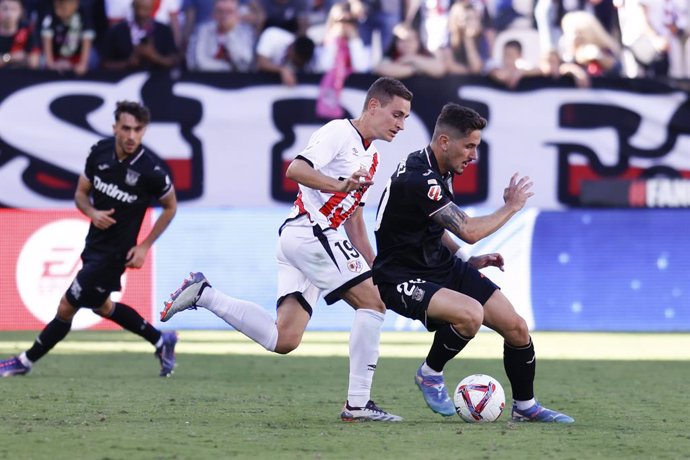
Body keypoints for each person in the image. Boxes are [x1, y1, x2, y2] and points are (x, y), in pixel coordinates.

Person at [160, 77, 413, 422]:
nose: (401, 124)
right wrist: (340, 184)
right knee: (373, 303)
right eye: (396, 114)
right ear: (373, 106)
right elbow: (296, 169)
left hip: (307, 238)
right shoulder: (339, 132)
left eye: (405, 118)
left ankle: (205, 295)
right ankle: (357, 404)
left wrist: (376, 264)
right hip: (311, 232)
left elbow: (354, 218)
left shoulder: (372, 157)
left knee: (285, 338)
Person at [372, 103, 575, 423]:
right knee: (470, 315)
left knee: (516, 327)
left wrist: (469, 261)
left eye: (476, 147)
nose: (473, 155)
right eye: (469, 146)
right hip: (399, 275)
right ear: (443, 142)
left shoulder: (438, 168)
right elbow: (467, 229)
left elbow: (437, 229)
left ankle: (525, 407)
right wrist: (511, 207)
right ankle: (430, 372)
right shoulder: (420, 179)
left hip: (438, 264)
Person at [0, 101, 179, 379]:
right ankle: (161, 340)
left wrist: (144, 246)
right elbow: (80, 195)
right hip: (94, 245)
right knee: (102, 306)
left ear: (144, 131)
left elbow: (171, 207)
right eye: (126, 128)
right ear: (115, 128)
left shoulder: (149, 171)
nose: (132, 136)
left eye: (138, 130)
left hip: (115, 255)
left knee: (66, 305)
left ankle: (25, 361)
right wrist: (93, 212)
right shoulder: (99, 152)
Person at [100, 0, 180, 71]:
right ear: (133, 7)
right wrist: (128, 63)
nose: (141, 14)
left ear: (152, 9)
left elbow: (174, 60)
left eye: (145, 9)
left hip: (158, 81)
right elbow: (105, 64)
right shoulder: (117, 32)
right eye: (139, 9)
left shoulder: (164, 31)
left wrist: (155, 57)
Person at [186, 0, 257, 72]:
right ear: (213, 14)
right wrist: (228, 68)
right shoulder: (202, 31)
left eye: (229, 12)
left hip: (241, 80)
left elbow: (247, 64)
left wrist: (229, 33)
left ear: (238, 15)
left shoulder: (247, 32)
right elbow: (199, 62)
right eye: (220, 11)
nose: (224, 16)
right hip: (205, 79)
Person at [40, 0, 96, 75]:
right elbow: (46, 38)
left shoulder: (84, 12)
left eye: (63, 8)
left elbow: (87, 39)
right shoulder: (49, 11)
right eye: (57, 7)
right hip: (56, 56)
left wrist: (82, 64)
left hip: (77, 55)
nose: (58, 11)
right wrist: (51, 64)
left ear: (75, 4)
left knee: (93, 56)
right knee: (41, 59)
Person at [0, 0, 40, 69]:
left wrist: (4, 59)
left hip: (21, 76)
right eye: (5, 8)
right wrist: (10, 57)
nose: (9, 14)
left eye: (13, 9)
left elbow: (34, 63)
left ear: (21, 11)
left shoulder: (28, 30)